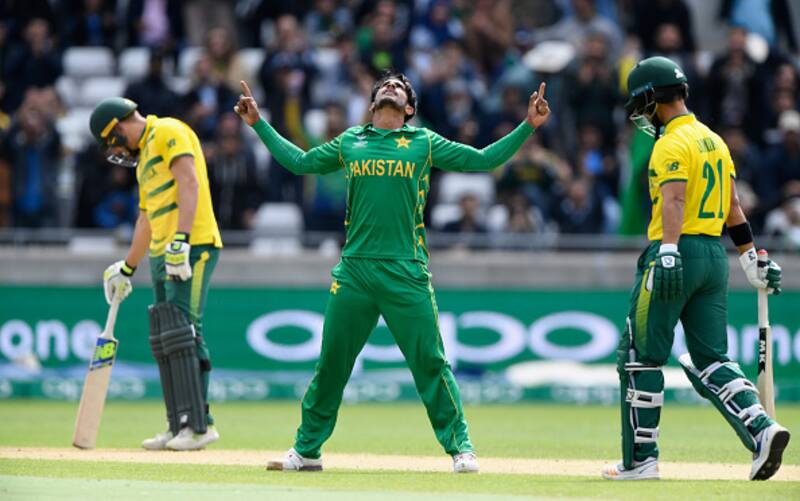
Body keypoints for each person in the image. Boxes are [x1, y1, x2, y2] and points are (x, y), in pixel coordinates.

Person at [234, 70, 551, 473]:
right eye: (384, 86)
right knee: (331, 366)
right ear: (371, 105)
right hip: (355, 271)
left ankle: (461, 448)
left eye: (399, 87)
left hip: (406, 270)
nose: (390, 87)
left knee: (430, 364)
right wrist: (258, 124)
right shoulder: (352, 140)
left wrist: (528, 126)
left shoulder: (424, 142)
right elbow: (299, 162)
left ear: (410, 108)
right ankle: (307, 450)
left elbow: (484, 160)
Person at [602, 56, 789, 481]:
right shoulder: (714, 140)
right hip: (713, 259)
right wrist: (749, 257)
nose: (639, 113)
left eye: (640, 103)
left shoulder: (669, 143)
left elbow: (674, 200)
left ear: (652, 98)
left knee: (639, 356)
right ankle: (762, 431)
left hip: (676, 253)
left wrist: (667, 249)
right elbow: (733, 207)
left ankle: (640, 461)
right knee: (712, 359)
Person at [89, 96, 222, 451]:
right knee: (165, 337)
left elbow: (189, 182)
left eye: (112, 141)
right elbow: (145, 219)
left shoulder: (167, 130)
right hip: (163, 251)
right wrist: (127, 268)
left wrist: (182, 239)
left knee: (185, 330)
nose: (117, 150)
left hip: (194, 245)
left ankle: (200, 425)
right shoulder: (144, 158)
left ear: (116, 127)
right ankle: (177, 421)